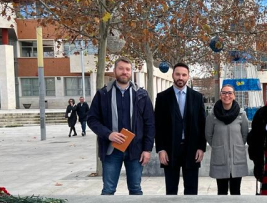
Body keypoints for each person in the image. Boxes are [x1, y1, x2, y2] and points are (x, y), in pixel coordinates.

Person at [87, 57, 155, 195]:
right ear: (114, 71)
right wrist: (108, 134)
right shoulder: (103, 94)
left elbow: (150, 124)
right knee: (108, 190)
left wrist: (147, 149)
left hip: (135, 151)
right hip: (111, 150)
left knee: (135, 189)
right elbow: (92, 119)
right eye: (121, 69)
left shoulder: (141, 95)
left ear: (131, 72)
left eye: (128, 69)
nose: (124, 72)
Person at [154, 62, 206, 195]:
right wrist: (160, 149)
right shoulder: (162, 97)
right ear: (172, 75)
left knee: (191, 189)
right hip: (170, 150)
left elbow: (202, 124)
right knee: (171, 190)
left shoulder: (197, 97)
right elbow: (158, 126)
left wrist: (201, 147)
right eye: (178, 74)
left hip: (192, 149)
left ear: (188, 76)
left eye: (184, 74)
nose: (180, 77)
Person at [205, 84, 249, 195]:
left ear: (234, 96)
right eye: (224, 93)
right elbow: (208, 135)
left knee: (236, 191)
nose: (227, 95)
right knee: (221, 192)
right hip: (220, 158)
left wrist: (236, 145)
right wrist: (218, 146)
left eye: (230, 93)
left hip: (237, 158)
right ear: (220, 95)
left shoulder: (241, 114)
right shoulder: (212, 115)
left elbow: (245, 134)